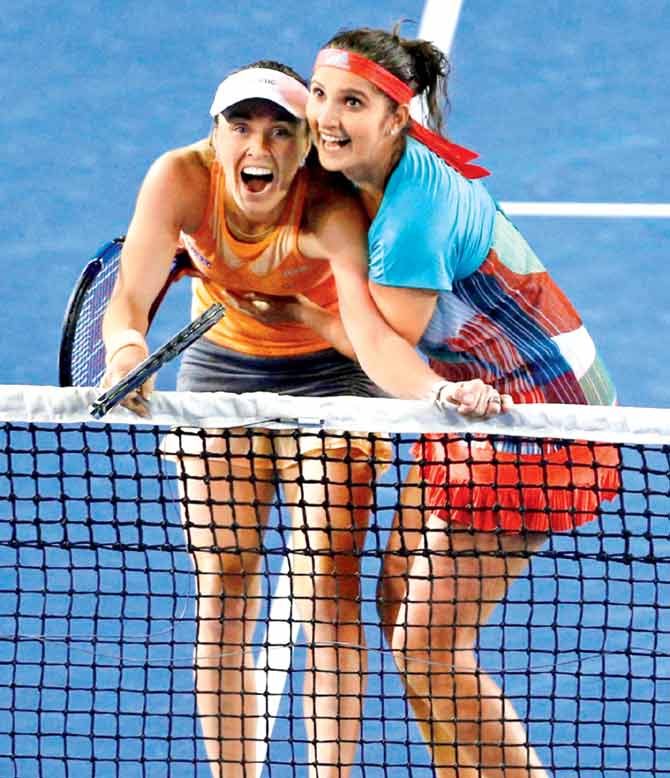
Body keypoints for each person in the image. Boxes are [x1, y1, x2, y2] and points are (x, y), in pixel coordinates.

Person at [285, 27, 619, 778]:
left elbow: (381, 349)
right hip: (475, 396)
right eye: (320, 94)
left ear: (399, 117)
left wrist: (307, 301)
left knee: (428, 648)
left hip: (537, 420)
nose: (327, 117)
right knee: (397, 594)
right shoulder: (367, 164)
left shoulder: (411, 219)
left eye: (353, 103)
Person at [100, 61, 404, 778]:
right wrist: (127, 353)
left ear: (305, 146)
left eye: (280, 130)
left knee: (332, 580)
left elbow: (367, 333)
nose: (257, 146)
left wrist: (305, 314)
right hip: (221, 374)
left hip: (333, 379)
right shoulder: (178, 179)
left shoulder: (331, 207)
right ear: (214, 135)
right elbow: (129, 297)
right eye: (241, 125)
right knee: (226, 582)